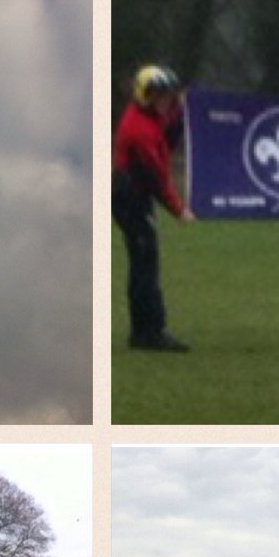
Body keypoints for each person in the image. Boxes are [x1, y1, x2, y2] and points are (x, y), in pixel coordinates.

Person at [112, 64, 195, 351]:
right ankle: (150, 331)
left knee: (143, 260)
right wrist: (178, 209)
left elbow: (167, 137)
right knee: (145, 261)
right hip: (131, 198)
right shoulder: (140, 131)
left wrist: (179, 111)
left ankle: (143, 330)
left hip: (132, 195)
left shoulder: (148, 119)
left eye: (168, 97)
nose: (166, 102)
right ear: (146, 96)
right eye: (160, 96)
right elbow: (157, 176)